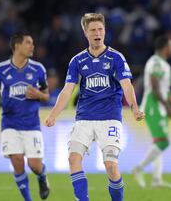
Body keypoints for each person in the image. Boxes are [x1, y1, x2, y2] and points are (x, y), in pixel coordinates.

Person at [45, 13, 144, 201]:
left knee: (111, 166)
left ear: (105, 31)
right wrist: (53, 115)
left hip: (109, 118)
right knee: (73, 159)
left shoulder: (116, 58)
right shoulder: (77, 61)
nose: (97, 33)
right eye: (93, 30)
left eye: (100, 29)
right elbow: (67, 90)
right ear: (85, 33)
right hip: (84, 118)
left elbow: (127, 85)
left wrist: (135, 107)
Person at [0, 32, 50, 201]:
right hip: (10, 124)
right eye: (28, 43)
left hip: (32, 125)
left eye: (32, 43)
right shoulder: (1, 69)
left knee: (34, 166)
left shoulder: (38, 69)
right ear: (17, 46)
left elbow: (46, 95)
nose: (32, 46)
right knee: (18, 161)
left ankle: (42, 176)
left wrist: (38, 94)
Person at [132, 35, 171, 189]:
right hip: (153, 106)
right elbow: (154, 88)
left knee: (157, 142)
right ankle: (139, 169)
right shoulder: (156, 62)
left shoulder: (164, 64)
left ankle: (156, 180)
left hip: (160, 106)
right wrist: (168, 109)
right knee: (163, 141)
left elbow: (165, 91)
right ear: (165, 47)